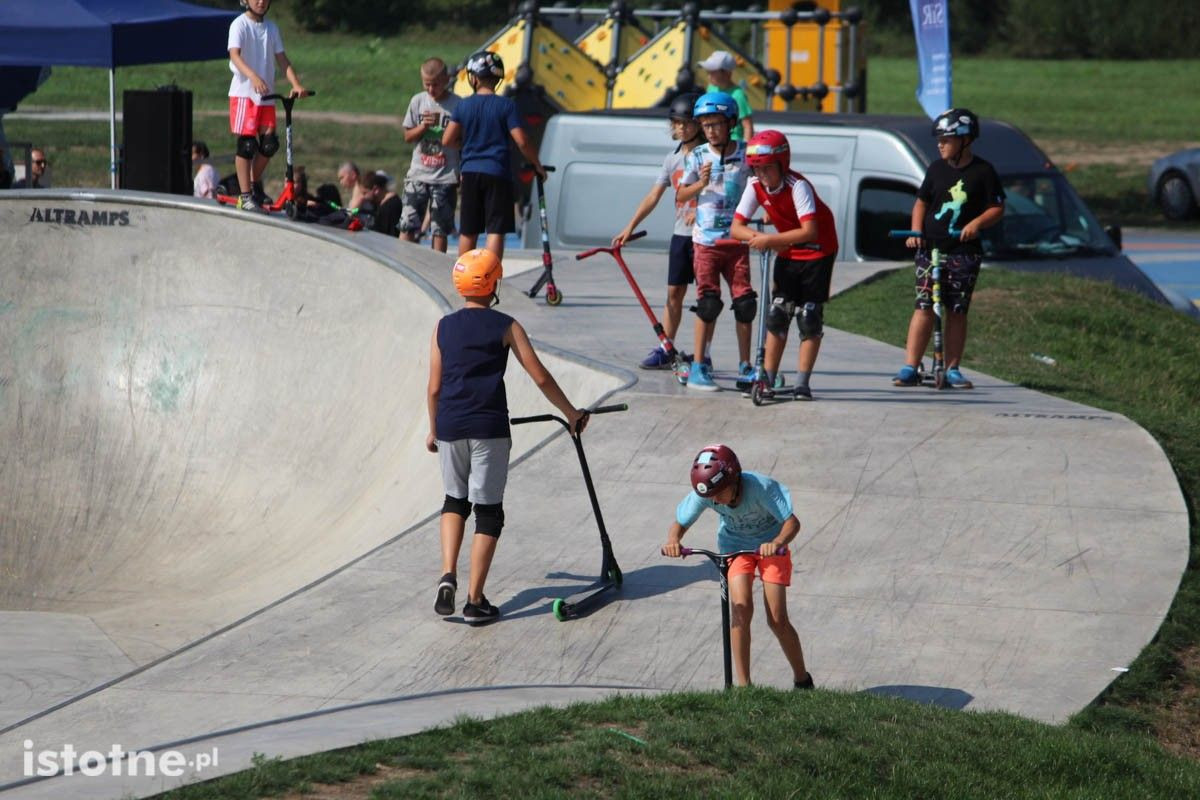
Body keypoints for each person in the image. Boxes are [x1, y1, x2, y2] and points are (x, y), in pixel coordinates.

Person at [427, 249, 589, 623]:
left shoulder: (442, 326)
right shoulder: (506, 325)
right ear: (494, 284)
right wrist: (572, 413)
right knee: (488, 513)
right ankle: (474, 601)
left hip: (450, 425)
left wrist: (434, 429)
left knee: (454, 500)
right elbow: (541, 376)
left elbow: (434, 387)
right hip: (489, 429)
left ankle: (447, 574)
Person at [662, 444, 812, 689]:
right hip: (734, 546)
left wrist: (776, 542)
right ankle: (744, 688)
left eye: (718, 494)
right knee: (741, 610)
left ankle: (802, 679)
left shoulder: (761, 488)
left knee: (777, 619)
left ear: (735, 479)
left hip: (771, 546)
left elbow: (792, 523)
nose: (713, 501)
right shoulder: (709, 492)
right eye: (709, 496)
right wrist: (673, 540)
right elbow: (679, 523)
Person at [894, 108, 1005, 390]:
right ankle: (910, 365)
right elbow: (921, 202)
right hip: (930, 249)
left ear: (965, 140)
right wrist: (916, 231)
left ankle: (953, 367)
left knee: (957, 309)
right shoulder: (936, 169)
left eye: (946, 139)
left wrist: (977, 223)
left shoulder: (983, 171)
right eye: (939, 140)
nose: (940, 144)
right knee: (924, 306)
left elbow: (997, 207)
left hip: (963, 252)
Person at [730, 130, 839, 400]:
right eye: (757, 168)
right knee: (778, 314)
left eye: (768, 168)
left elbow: (810, 231)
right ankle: (767, 379)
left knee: (808, 317)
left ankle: (802, 383)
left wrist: (770, 239)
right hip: (787, 251)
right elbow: (736, 228)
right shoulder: (755, 185)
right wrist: (763, 239)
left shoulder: (797, 186)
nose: (763, 174)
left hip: (818, 251)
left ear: (782, 163)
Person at [612, 92, 708, 373]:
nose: (680, 129)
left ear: (699, 124)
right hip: (681, 235)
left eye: (686, 123)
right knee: (673, 294)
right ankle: (668, 347)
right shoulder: (672, 159)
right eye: (676, 123)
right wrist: (629, 227)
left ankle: (705, 354)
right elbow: (653, 196)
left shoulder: (709, 155)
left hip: (706, 235)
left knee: (706, 297)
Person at [676, 92, 755, 391]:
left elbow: (761, 185)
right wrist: (701, 184)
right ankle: (699, 366)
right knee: (708, 304)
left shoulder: (746, 154)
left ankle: (746, 366)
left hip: (736, 241)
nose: (710, 130)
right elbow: (681, 196)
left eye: (716, 124)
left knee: (745, 304)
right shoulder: (696, 156)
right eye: (705, 125)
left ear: (731, 123)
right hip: (706, 243)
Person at [442, 51, 546, 261]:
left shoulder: (463, 105)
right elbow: (522, 140)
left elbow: (447, 140)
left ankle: (464, 276)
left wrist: (466, 143)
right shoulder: (507, 106)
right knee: (495, 230)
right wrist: (538, 165)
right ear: (497, 79)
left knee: (469, 230)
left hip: (470, 173)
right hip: (498, 173)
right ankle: (490, 276)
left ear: (474, 78)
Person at [227, 0, 307, 212]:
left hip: (266, 96)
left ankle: (251, 187)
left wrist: (296, 84)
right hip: (245, 94)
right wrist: (252, 76)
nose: (261, 1)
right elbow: (234, 54)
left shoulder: (272, 28)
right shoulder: (239, 24)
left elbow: (282, 59)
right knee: (247, 145)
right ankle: (245, 196)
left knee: (269, 144)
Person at [401, 57, 461, 253]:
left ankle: (437, 266)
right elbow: (408, 136)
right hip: (419, 173)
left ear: (446, 80)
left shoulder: (457, 104)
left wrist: (448, 137)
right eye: (427, 84)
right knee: (408, 223)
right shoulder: (418, 101)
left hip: (445, 176)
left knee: (440, 228)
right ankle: (405, 260)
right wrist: (423, 127)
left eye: (435, 84)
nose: (431, 89)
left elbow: (464, 139)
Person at [698, 51, 753, 142]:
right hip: (714, 142)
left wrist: (746, 149)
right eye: (708, 72)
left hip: (733, 142)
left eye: (713, 72)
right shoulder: (711, 89)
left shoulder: (738, 94)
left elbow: (747, 125)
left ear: (727, 73)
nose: (709, 76)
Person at [363, 172, 403, 236]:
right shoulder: (382, 204)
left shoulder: (390, 207)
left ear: (376, 189)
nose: (363, 197)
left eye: (365, 193)